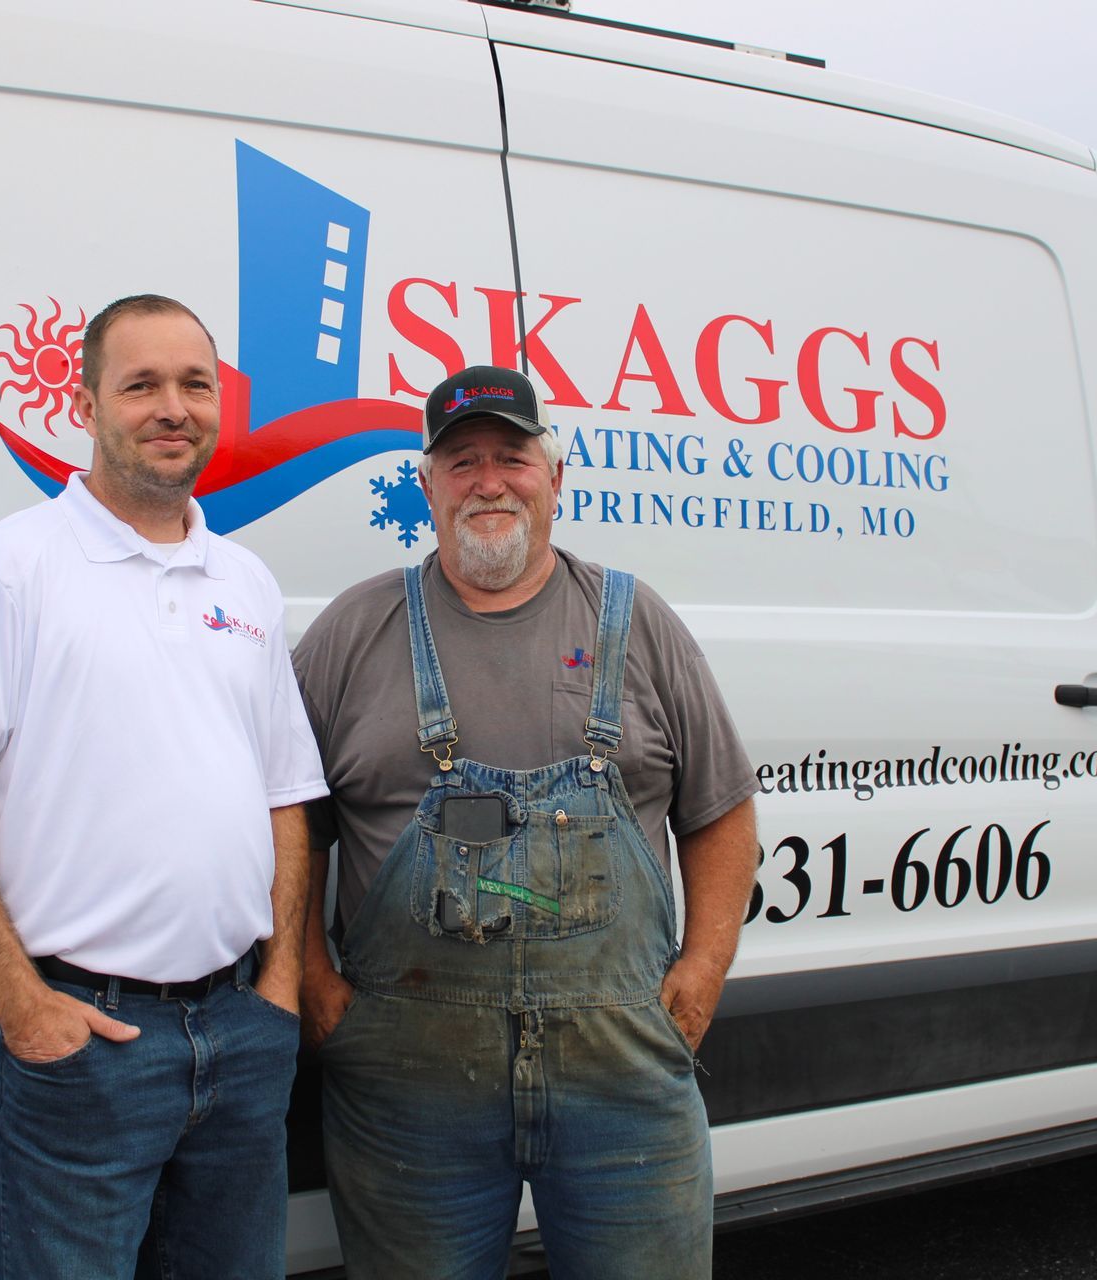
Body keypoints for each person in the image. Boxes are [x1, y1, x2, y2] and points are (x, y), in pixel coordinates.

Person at [0, 294, 326, 1280]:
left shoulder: (244, 581)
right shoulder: (8, 570)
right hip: (85, 1039)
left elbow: (286, 794)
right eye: (142, 385)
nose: (173, 406)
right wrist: (24, 1006)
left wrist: (282, 986)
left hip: (241, 1032)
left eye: (195, 384)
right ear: (85, 403)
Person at [294, 364, 760, 1279]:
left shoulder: (639, 623)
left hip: (622, 1075)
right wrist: (312, 978)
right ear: (425, 486)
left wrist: (700, 975)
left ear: (555, 475)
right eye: (461, 462)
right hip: (406, 1085)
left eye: (511, 456)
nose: (489, 481)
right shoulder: (352, 632)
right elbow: (291, 826)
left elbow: (722, 811)